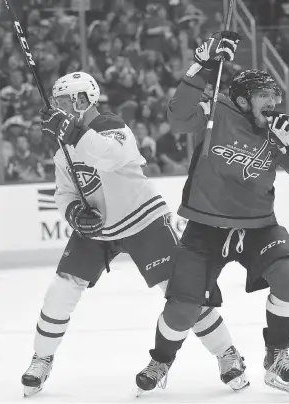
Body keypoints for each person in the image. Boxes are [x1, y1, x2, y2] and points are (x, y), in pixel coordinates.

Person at [20, 72, 243, 397]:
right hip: (98, 227)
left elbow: (108, 156)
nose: (57, 108)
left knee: (182, 293)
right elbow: (64, 190)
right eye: (56, 102)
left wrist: (72, 133)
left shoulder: (112, 126)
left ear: (82, 100)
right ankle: (41, 359)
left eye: (63, 101)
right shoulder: (62, 142)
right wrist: (73, 212)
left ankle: (227, 353)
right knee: (60, 291)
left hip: (143, 219)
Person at [135, 31, 289, 396]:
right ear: (241, 99)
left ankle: (277, 356)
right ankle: (161, 360)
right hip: (205, 229)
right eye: (264, 96)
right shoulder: (216, 110)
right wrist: (205, 66)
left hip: (259, 228)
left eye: (275, 96)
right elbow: (178, 117)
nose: (273, 103)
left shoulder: (278, 130)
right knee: (182, 310)